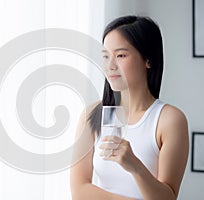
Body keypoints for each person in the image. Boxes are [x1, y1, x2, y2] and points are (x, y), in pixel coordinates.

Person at [70, 15, 189, 200]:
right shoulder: (91, 115)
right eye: (106, 56)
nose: (110, 65)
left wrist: (134, 165)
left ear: (148, 60)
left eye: (120, 55)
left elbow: (168, 197)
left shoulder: (169, 120)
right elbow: (79, 191)